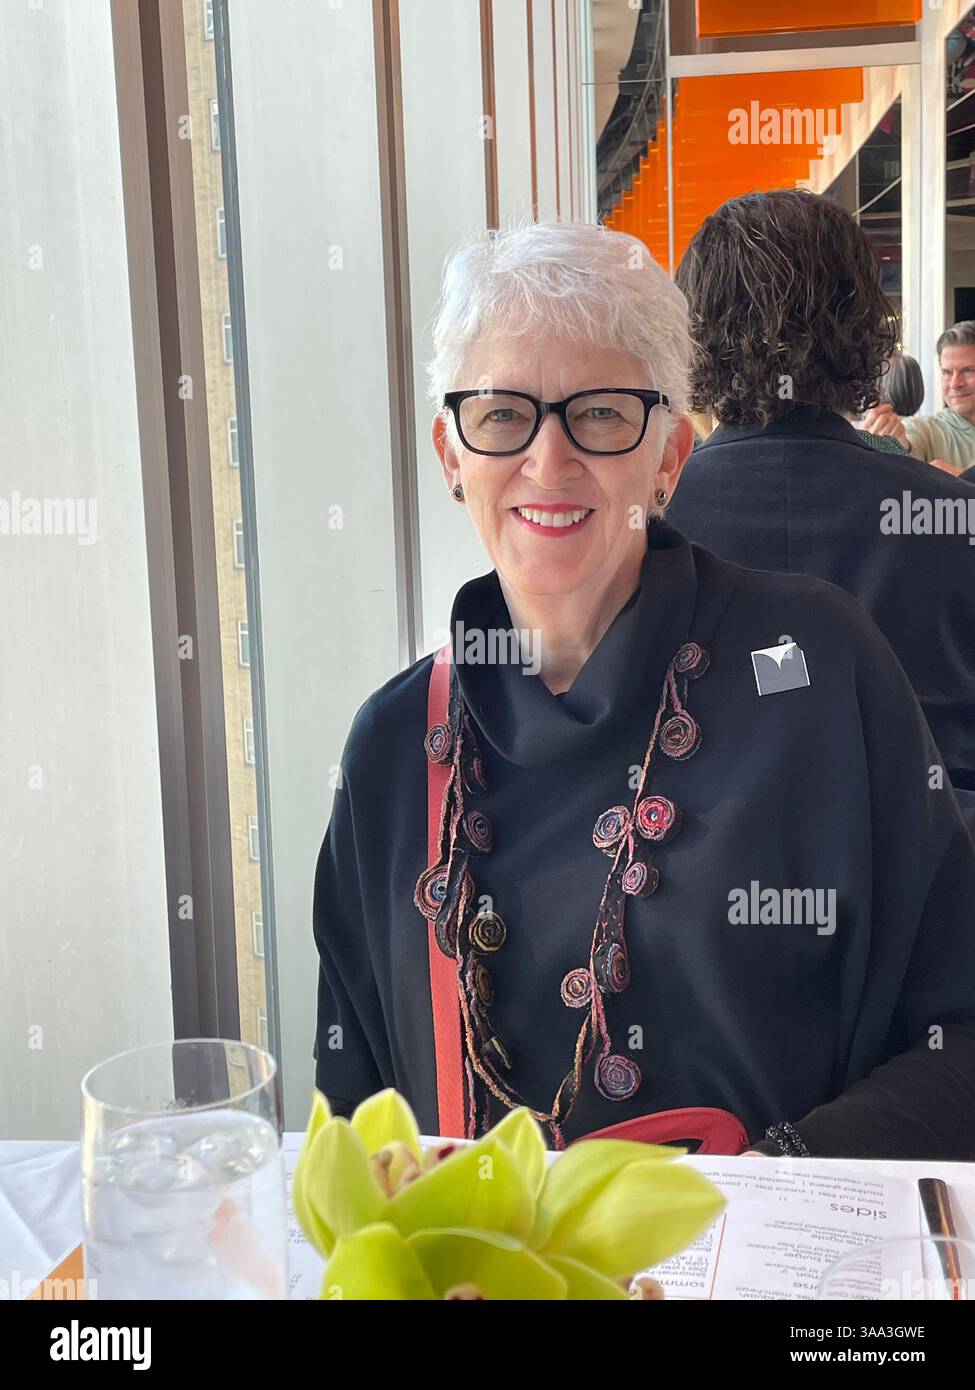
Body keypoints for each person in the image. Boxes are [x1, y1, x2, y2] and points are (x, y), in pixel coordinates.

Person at [313, 220, 975, 1161]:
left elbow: (956, 1034)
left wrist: (766, 1197)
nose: (548, 462)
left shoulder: (820, 667)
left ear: (670, 456)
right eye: (502, 414)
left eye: (601, 413)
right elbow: (354, 1137)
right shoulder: (389, 747)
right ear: (451, 454)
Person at [666, 189, 975, 815]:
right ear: (864, 327)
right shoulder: (955, 520)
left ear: (691, 338)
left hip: (697, 889)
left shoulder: (638, 533)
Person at [862, 323, 975, 473]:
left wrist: (962, 482)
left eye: (968, 370)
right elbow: (909, 450)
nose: (955, 383)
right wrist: (897, 445)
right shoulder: (925, 429)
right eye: (947, 373)